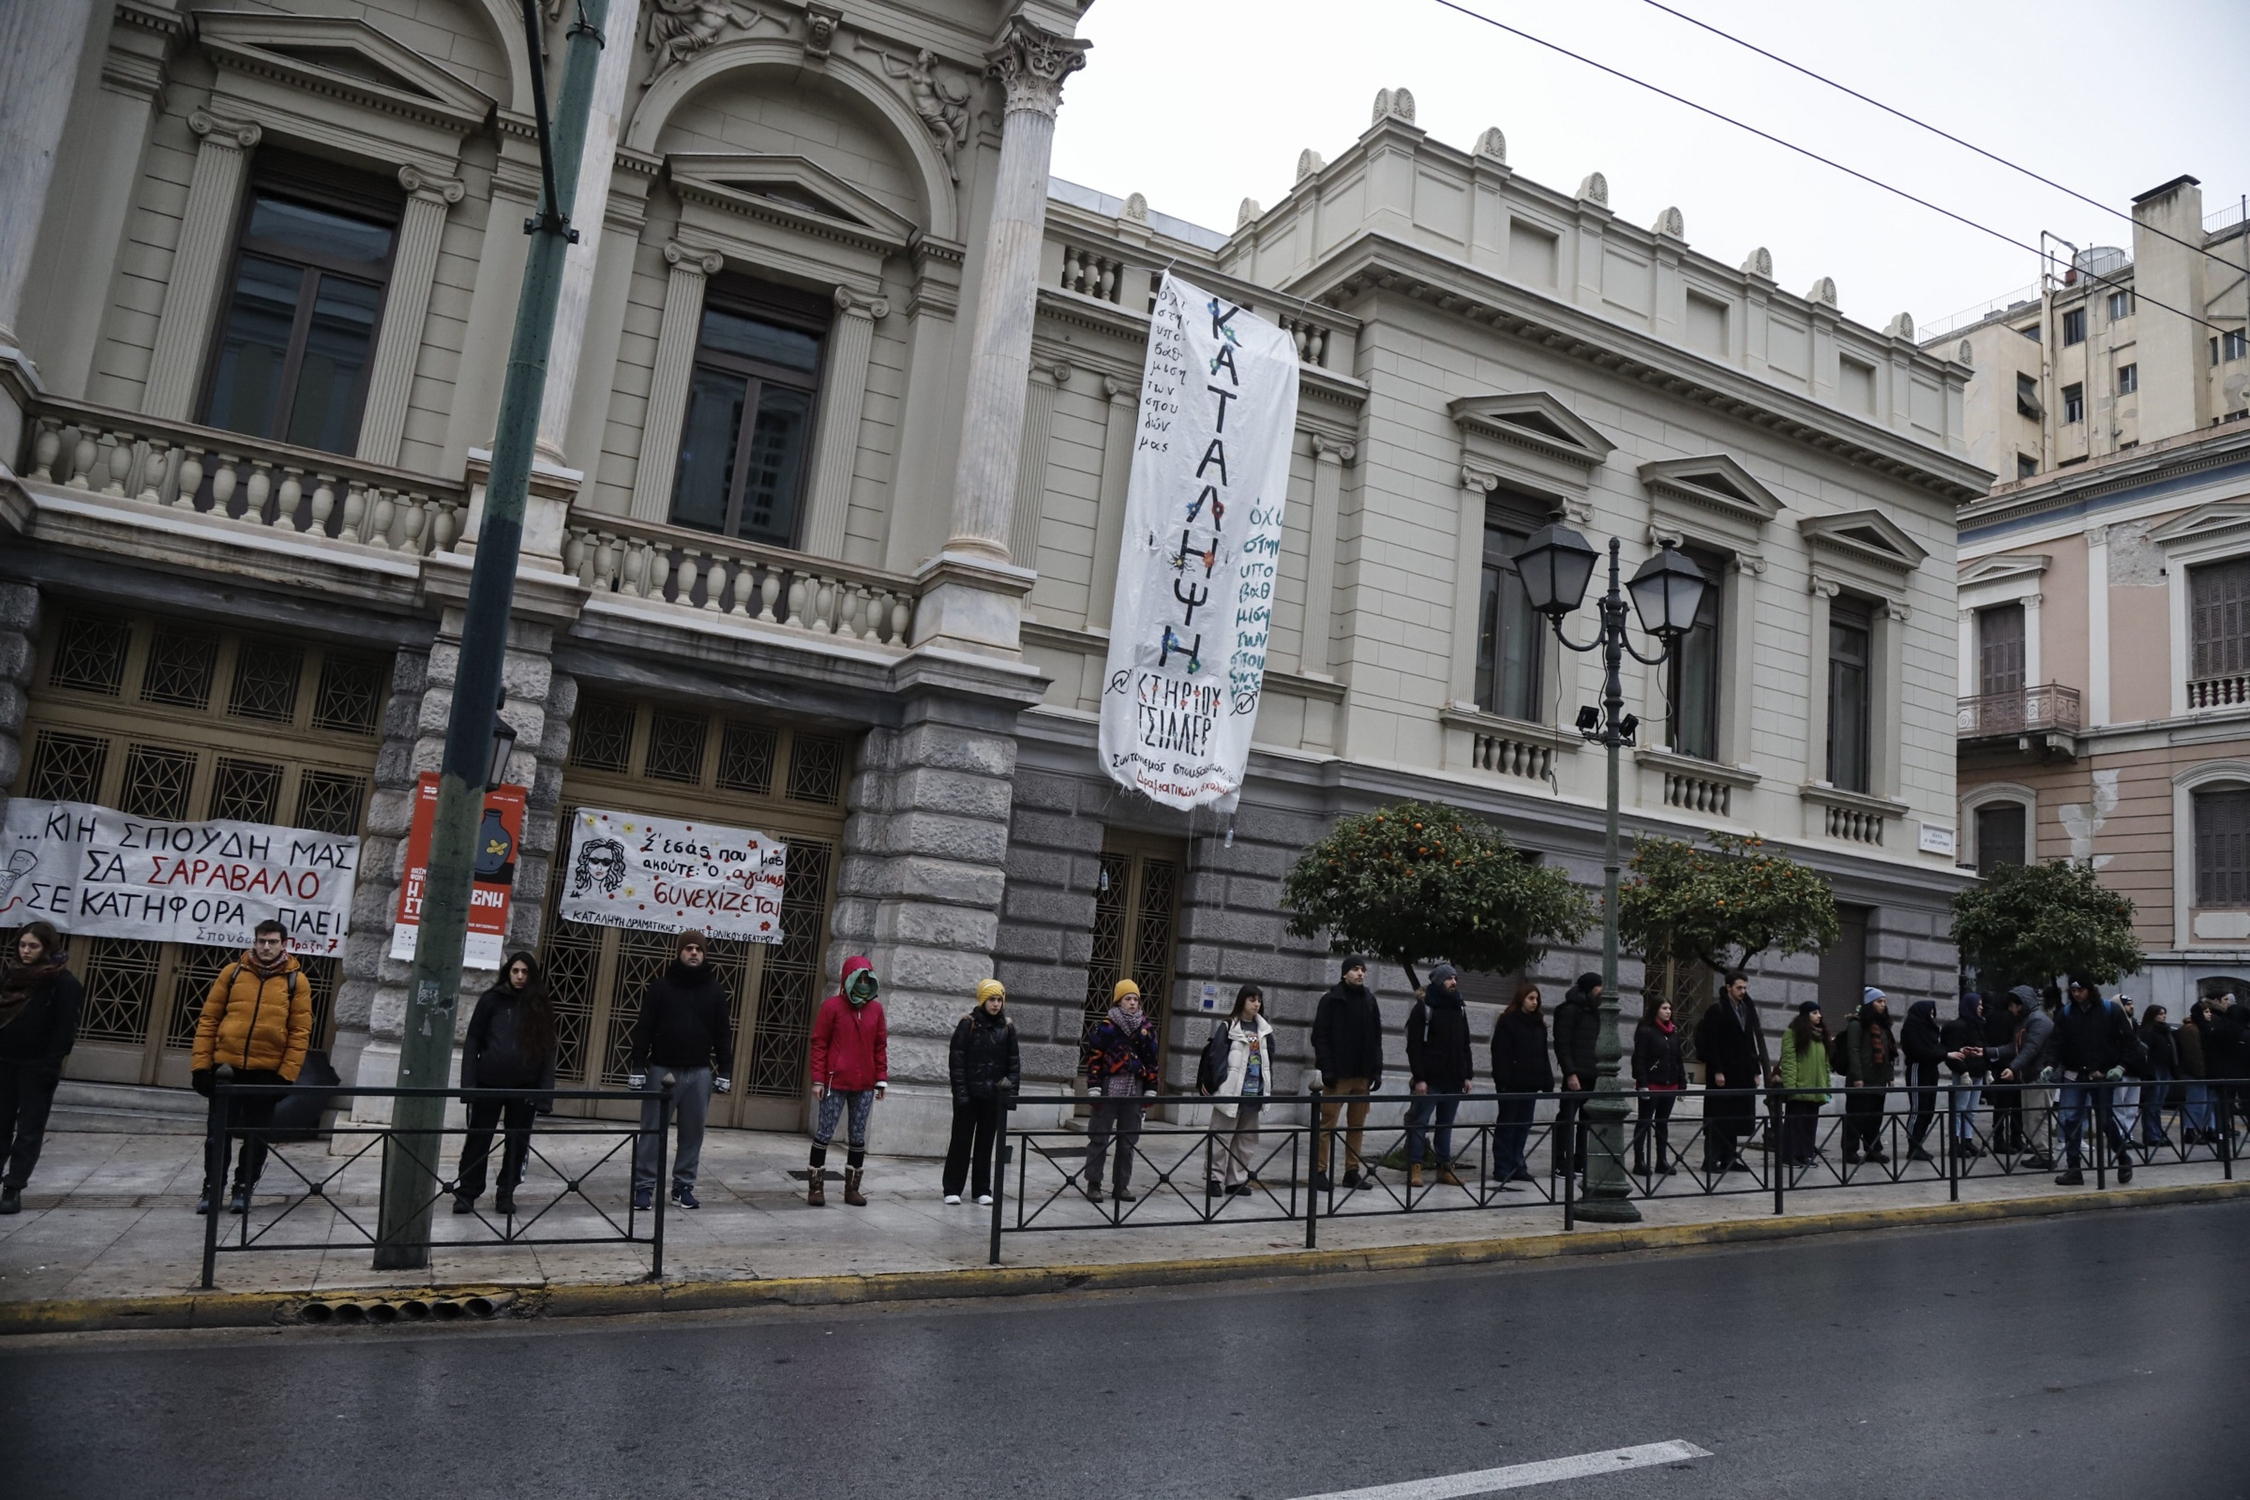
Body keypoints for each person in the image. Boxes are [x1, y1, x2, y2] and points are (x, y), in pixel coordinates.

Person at [191, 919, 313, 1215]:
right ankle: (212, 1187)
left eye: (272, 942)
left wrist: (286, 1077)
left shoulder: (296, 981)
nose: (266, 947)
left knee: (256, 1137)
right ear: (254, 942)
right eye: (261, 941)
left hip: (266, 1072)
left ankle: (243, 1188)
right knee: (217, 1135)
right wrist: (200, 1068)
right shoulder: (232, 973)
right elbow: (208, 1020)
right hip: (226, 1069)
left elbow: (300, 1032)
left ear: (284, 944)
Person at [628, 929, 731, 1212]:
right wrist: (638, 1065)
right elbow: (644, 1027)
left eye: (698, 949)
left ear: (704, 954)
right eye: (689, 948)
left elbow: (723, 1034)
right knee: (651, 1131)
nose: (694, 952)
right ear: (680, 952)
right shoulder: (661, 987)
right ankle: (644, 1187)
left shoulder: (715, 991)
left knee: (693, 1134)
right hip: (662, 1070)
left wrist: (725, 1070)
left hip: (699, 1073)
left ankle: (683, 1187)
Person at [453, 951, 557, 1218]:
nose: (520, 976)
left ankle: (506, 1192)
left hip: (525, 1087)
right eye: (515, 971)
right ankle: (467, 1192)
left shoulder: (540, 1005)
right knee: (478, 1140)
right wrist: (469, 1087)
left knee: (517, 1142)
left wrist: (545, 1096)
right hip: (488, 1083)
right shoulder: (491, 1000)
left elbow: (548, 1051)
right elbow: (473, 1042)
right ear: (508, 972)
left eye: (525, 972)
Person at [0, 921, 82, 1216]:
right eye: (22, 945)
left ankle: (13, 1186)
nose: (26, 951)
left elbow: (64, 1029)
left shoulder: (63, 984)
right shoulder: (10, 976)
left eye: (33, 946)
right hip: (5, 1062)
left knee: (29, 1129)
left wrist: (50, 1064)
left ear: (47, 948)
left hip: (37, 1067)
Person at [807, 955, 888, 1207]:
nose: (863, 983)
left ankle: (852, 1189)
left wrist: (881, 1079)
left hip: (864, 1084)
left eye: (867, 979)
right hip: (835, 1081)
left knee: (858, 1137)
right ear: (848, 979)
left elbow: (880, 1046)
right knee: (824, 1133)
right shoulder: (832, 1007)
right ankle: (816, 1187)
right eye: (858, 979)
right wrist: (818, 1080)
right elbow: (819, 1044)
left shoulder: (876, 1010)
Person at [2052, 974, 2143, 1186]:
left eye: (2081, 990)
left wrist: (2120, 1067)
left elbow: (2130, 1043)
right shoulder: (2066, 1013)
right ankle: (2074, 1168)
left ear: (2090, 990)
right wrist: (2050, 1064)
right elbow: (2056, 1043)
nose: (2077, 994)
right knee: (2071, 1120)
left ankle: (2123, 1158)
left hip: (2102, 1074)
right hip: (2075, 1073)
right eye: (2073, 990)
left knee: (2105, 1120)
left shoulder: (2110, 1011)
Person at [1310, 955, 1384, 1191]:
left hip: (1362, 1075)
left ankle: (1352, 1172)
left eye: (1362, 969)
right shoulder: (1331, 1000)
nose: (1360, 973)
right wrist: (1326, 1068)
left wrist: (1377, 1070)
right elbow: (1320, 1036)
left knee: (1357, 1126)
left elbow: (1376, 1038)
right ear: (1344, 973)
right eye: (1355, 969)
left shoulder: (1369, 1000)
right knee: (1327, 1125)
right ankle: (1319, 1171)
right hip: (1338, 1075)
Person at [943, 979, 1020, 1206]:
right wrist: (961, 1095)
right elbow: (957, 1063)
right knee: (960, 1143)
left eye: (999, 1000)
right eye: (991, 1000)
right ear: (982, 1001)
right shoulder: (968, 1025)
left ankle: (981, 1190)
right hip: (969, 1096)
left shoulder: (1007, 1028)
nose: (995, 1004)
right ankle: (952, 1188)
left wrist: (1009, 1096)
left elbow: (1013, 1064)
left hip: (993, 1097)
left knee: (986, 1145)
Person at [1083, 980, 1158, 1204]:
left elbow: (1152, 1060)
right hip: (1109, 1086)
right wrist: (1094, 1086)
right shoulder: (1105, 1027)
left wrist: (1151, 1088)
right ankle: (1093, 1183)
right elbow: (1094, 1057)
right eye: (1128, 999)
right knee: (1099, 1137)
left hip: (1135, 1087)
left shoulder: (1146, 1029)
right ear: (1118, 1001)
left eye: (1135, 999)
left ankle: (1121, 1185)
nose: (1132, 1003)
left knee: (1128, 1141)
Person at [1403, 964, 1473, 1189]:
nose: (1454, 982)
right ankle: (1415, 1167)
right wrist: (1420, 1078)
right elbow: (1414, 1046)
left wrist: (1467, 1075)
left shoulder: (1459, 1007)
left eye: (1455, 978)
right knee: (1420, 1122)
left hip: (1453, 1078)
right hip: (1430, 1079)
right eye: (1449, 978)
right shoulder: (1424, 1008)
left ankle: (1444, 1168)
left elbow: (1465, 1044)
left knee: (1446, 1125)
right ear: (1438, 981)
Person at [1205, 984, 1276, 1196]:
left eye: (1259, 1000)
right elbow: (1216, 1056)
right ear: (1242, 1001)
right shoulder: (1229, 1026)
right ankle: (1213, 1178)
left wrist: (1266, 1085)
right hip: (1232, 1091)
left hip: (1254, 1092)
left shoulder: (1264, 1029)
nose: (1256, 1004)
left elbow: (1269, 1060)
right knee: (1220, 1137)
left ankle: (1236, 1180)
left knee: (1246, 1140)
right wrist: (1221, 1083)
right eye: (1252, 1000)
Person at [1694, 971, 1767, 1173]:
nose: (1743, 991)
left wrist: (1755, 1070)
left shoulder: (1746, 1009)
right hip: (1723, 1073)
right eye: (1739, 987)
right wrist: (1717, 1070)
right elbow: (1711, 1043)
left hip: (1741, 1073)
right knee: (1717, 1118)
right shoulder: (1717, 1010)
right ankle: (1711, 1160)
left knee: (1734, 1118)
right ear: (1728, 988)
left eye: (1745, 988)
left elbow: (1750, 1041)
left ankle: (1730, 1158)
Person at [1488, 982, 1552, 1188]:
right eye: (1530, 998)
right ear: (1521, 999)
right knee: (1507, 1125)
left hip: (1530, 1083)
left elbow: (1543, 1054)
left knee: (1523, 1126)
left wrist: (1547, 1080)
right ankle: (1502, 1166)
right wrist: (1503, 1081)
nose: (1534, 1002)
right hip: (1511, 1084)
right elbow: (1500, 1053)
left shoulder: (1538, 1025)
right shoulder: (1508, 1022)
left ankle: (1518, 1164)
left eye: (1537, 999)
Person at [1996, 984, 2058, 1170]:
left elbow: (2030, 1049)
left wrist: (2013, 1068)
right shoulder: (2026, 1021)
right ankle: (2041, 1153)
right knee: (2032, 1117)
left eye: (2012, 1005)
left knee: (2038, 1116)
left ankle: (2045, 1155)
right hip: (2030, 1076)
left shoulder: (2038, 1021)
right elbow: (2014, 1047)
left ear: (2021, 1004)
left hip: (2039, 1076)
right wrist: (1986, 1052)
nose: (2010, 1009)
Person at [1550, 971, 1601, 1179]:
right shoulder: (1570, 1010)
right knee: (1567, 1119)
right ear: (1589, 988)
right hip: (1576, 1075)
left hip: (1592, 1074)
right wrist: (1570, 1072)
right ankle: (1561, 1162)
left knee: (1586, 1121)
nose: (1602, 990)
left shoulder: (1597, 1011)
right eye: (1599, 986)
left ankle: (1580, 1161)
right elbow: (1562, 1044)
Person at [1839, 988, 1897, 1167]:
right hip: (1862, 1079)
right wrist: (1858, 1077)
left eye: (1884, 1001)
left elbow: (1888, 1054)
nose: (1883, 1005)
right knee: (1856, 1117)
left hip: (1878, 1079)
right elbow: (1853, 1051)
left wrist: (1890, 1077)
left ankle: (1873, 1149)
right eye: (1879, 1001)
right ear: (1869, 1004)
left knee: (1875, 1117)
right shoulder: (1857, 1025)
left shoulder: (1883, 1027)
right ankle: (1850, 1150)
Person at [1631, 995, 1686, 1176]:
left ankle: (1661, 1161)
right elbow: (1639, 1059)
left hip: (1670, 1085)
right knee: (1644, 1122)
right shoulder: (1645, 1031)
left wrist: (1682, 1084)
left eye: (1669, 1008)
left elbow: (1678, 1060)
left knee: (1662, 1123)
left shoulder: (1674, 1033)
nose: (1668, 1012)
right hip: (1652, 1085)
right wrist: (1643, 1084)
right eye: (1664, 1008)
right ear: (1655, 1010)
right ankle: (1639, 1161)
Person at [1775, 1002, 1831, 1167]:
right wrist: (1791, 1087)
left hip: (1816, 1088)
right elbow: (1789, 1062)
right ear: (1806, 1015)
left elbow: (1825, 1065)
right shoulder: (1792, 1033)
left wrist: (1827, 1087)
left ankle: (1804, 1155)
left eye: (1819, 1012)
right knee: (1794, 1125)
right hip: (1799, 1087)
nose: (1819, 1016)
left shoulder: (1820, 1036)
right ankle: (1788, 1156)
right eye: (1814, 1012)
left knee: (1809, 1126)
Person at [1941, 993, 1989, 1159]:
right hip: (1964, 1073)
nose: (1981, 1007)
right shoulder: (1957, 1026)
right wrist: (1962, 1071)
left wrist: (1987, 1069)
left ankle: (1967, 1140)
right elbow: (1952, 1051)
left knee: (1971, 1110)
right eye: (1978, 1004)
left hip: (1977, 1072)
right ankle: (1955, 1143)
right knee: (1959, 1109)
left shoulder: (1979, 1024)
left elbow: (1983, 1047)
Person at [1900, 998, 1946, 1163]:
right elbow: (1921, 1051)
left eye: (1933, 1013)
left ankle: (1919, 1143)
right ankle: (1913, 1145)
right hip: (1918, 1069)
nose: (1932, 1016)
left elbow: (1936, 1048)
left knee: (1928, 1109)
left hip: (1931, 1070)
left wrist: (1941, 1053)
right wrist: (1943, 1054)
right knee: (1918, 1108)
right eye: (1930, 1013)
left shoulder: (1930, 1030)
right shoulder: (1912, 1028)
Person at [1982, 984, 2024, 1154]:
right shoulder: (2005, 1018)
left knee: (2006, 1105)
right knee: (2009, 1105)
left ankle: (2008, 1138)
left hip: (2004, 1066)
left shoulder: (1994, 1017)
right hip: (2008, 1067)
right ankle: (2008, 1139)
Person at [2137, 1003, 2177, 1150]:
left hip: (2166, 1068)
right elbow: (2147, 1052)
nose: (2163, 1016)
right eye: (2160, 1014)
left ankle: (2158, 1133)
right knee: (2152, 1104)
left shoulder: (2165, 1030)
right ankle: (2151, 1135)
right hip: (2154, 1069)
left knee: (2159, 1105)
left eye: (2164, 1013)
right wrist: (2149, 1071)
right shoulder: (2148, 1031)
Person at [2181, 1000, 2216, 1146]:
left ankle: (2199, 1130)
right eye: (2206, 1012)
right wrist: (2200, 1072)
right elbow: (2193, 1054)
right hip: (2196, 1073)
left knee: (2206, 1104)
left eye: (2209, 1011)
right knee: (2197, 1103)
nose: (2209, 1014)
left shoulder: (2205, 1028)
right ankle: (2190, 1130)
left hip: (2206, 1072)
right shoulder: (2191, 1029)